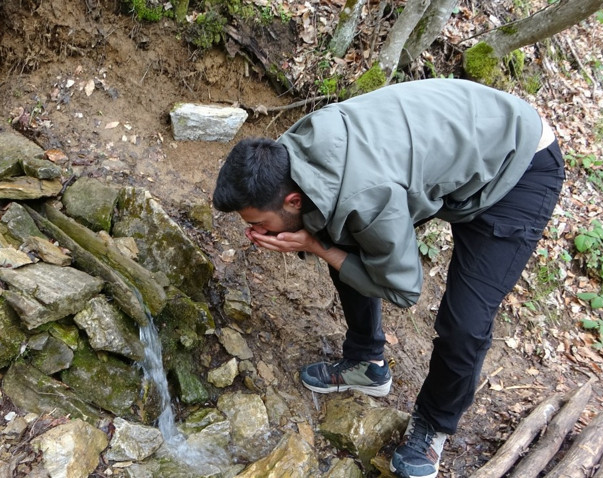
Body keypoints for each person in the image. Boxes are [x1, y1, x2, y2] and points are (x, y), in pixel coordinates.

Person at [212, 78, 564, 478]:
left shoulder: (366, 194)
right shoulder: (287, 154)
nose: (257, 231)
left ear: (291, 200)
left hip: (519, 166)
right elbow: (333, 217)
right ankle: (366, 362)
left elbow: (402, 288)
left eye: (259, 222)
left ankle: (433, 425)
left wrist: (314, 245)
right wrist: (316, 239)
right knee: (336, 232)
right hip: (462, 139)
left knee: (464, 322)